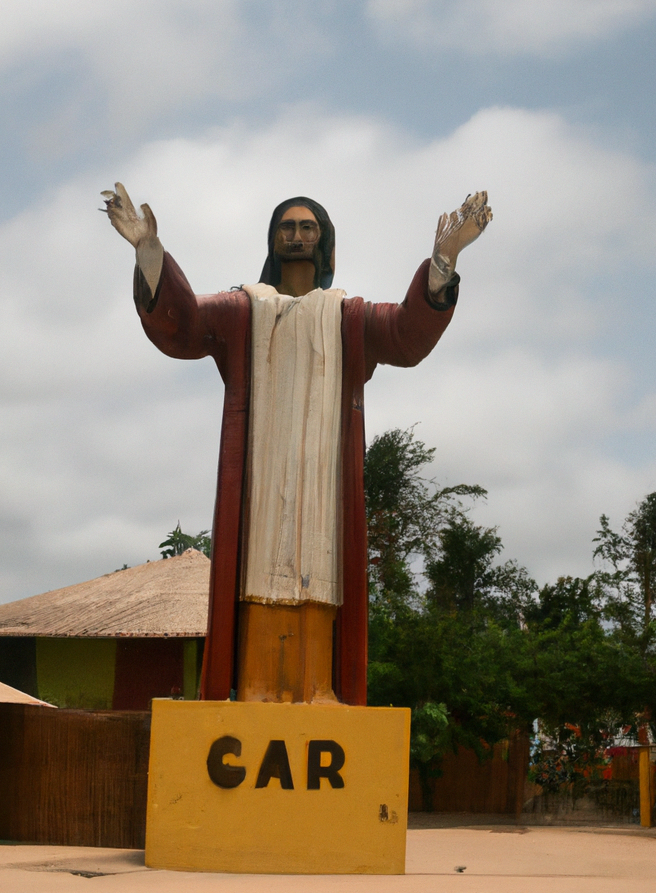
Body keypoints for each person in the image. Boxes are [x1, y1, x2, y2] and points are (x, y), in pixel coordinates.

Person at [103, 184, 490, 704]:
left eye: (308, 227)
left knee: (321, 572)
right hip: (259, 484)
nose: (297, 235)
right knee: (256, 573)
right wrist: (149, 252)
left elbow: (406, 334)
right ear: (272, 239)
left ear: (324, 240)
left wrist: (444, 261)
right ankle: (255, 690)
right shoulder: (243, 309)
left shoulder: (347, 315)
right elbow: (184, 323)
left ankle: (318, 691)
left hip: (324, 483)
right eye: (287, 227)